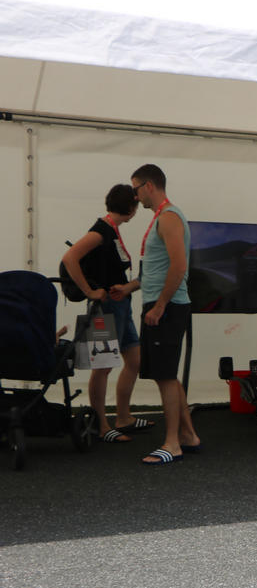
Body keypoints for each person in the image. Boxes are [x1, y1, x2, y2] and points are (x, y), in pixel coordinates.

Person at [60, 184, 149, 443]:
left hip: (120, 305)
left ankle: (124, 417)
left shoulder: (111, 229)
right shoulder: (100, 231)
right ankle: (101, 425)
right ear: (131, 208)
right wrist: (89, 291)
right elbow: (70, 258)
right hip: (104, 307)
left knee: (135, 361)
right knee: (103, 367)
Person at [131, 164, 202, 465]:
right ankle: (188, 435)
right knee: (167, 375)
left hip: (167, 307)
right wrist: (130, 287)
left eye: (135, 189)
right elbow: (157, 269)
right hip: (161, 304)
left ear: (149, 186)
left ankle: (172, 443)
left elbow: (178, 266)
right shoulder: (162, 218)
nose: (134, 196)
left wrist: (159, 306)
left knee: (165, 377)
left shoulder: (170, 217)